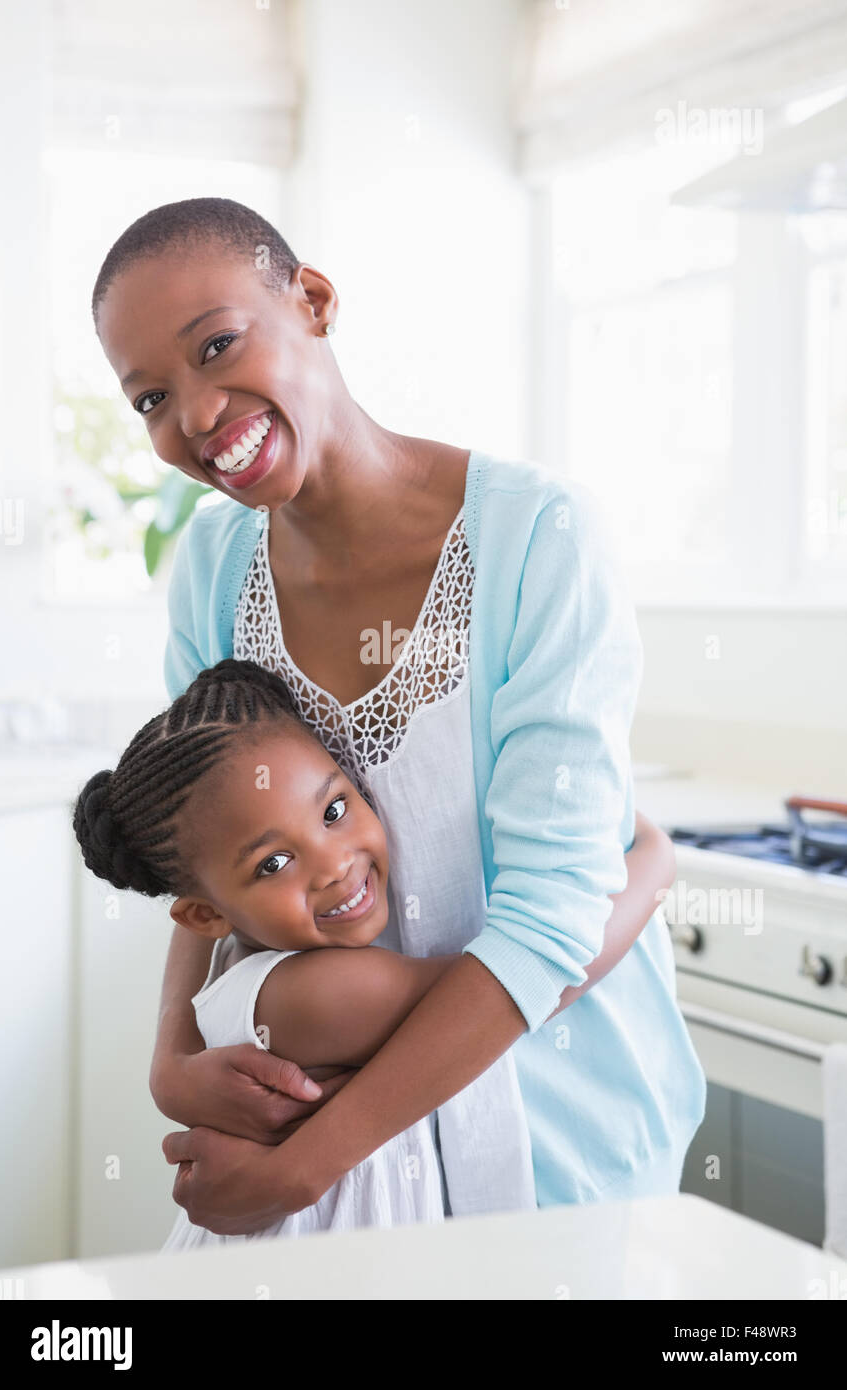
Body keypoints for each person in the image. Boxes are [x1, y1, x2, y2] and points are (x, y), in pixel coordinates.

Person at [91, 196, 706, 1235]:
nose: (193, 416)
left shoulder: (534, 540)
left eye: (217, 345)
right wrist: (171, 1060)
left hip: (555, 1138)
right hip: (351, 1179)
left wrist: (300, 1166)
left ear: (313, 301)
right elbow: (196, 844)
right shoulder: (210, 567)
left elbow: (549, 921)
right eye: (152, 396)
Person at [72, 657, 545, 1246]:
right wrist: (651, 861)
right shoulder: (325, 995)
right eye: (273, 863)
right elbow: (522, 977)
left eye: (333, 811)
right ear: (206, 915)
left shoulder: (239, 960)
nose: (336, 865)